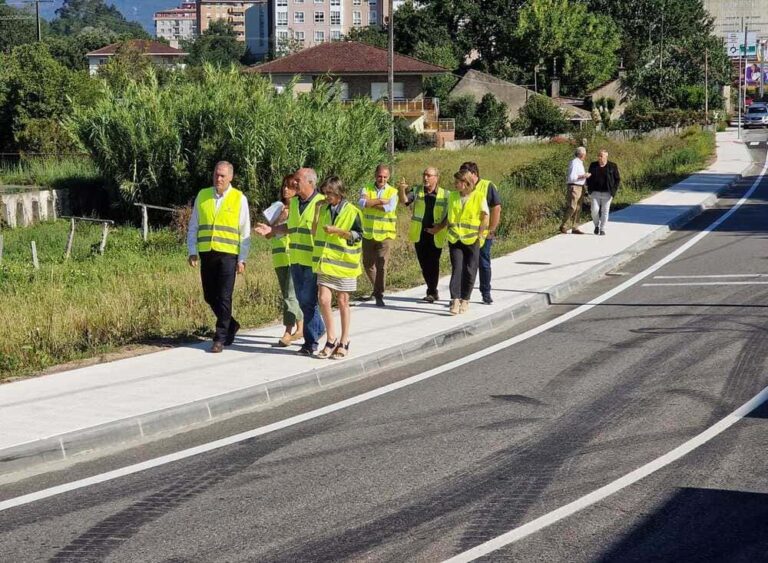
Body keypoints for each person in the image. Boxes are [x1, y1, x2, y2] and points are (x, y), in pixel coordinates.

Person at [255, 168, 325, 356]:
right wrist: (272, 230)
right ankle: (318, 329)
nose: (294, 183)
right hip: (294, 258)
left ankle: (310, 343)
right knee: (303, 301)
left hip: (312, 260)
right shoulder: (294, 203)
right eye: (294, 179)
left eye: (298, 180)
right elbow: (290, 227)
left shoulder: (321, 203)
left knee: (308, 301)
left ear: (310, 182)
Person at [187, 161, 251, 353]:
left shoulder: (239, 198)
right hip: (207, 253)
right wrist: (192, 250)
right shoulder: (203, 195)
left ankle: (220, 337)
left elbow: (244, 230)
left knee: (224, 296)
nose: (219, 178)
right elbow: (194, 225)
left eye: (223, 175)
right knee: (209, 296)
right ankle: (231, 324)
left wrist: (242, 258)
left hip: (228, 255)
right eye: (216, 174)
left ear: (230, 177)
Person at [312, 176, 363, 359]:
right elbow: (314, 232)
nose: (326, 197)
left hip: (344, 264)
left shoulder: (352, 211)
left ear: (339, 193)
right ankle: (331, 338)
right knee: (324, 299)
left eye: (330, 194)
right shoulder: (324, 208)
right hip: (325, 263)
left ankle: (344, 340)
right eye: (325, 193)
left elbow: (358, 236)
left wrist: (338, 232)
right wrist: (317, 212)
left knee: (342, 301)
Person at [427, 170, 489, 315]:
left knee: (470, 270)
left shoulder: (479, 197)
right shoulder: (453, 196)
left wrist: (480, 235)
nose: (455, 185)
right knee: (457, 268)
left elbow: (485, 217)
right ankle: (454, 299)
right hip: (455, 238)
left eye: (457, 182)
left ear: (466, 183)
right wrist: (438, 229)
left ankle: (465, 299)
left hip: (472, 239)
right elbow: (448, 217)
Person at [397, 167, 448, 303]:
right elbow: (404, 201)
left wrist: (439, 227)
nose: (425, 178)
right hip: (420, 233)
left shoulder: (445, 194)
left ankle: (432, 291)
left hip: (436, 233)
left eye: (429, 175)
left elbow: (450, 215)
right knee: (424, 264)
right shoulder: (417, 190)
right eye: (424, 175)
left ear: (436, 178)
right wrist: (402, 189)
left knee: (433, 263)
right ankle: (432, 289)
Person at [264, 174, 304, 347]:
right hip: (279, 256)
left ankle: (288, 331)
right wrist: (279, 218)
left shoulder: (299, 208)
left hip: (292, 255)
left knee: (290, 295)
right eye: (284, 187)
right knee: (289, 295)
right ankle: (301, 327)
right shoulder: (278, 207)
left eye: (290, 187)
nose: (286, 190)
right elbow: (268, 234)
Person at [458, 162, 501, 305]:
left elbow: (496, 208)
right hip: (465, 235)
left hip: (483, 235)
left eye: (466, 175)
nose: (462, 178)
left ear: (474, 174)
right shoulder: (461, 187)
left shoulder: (487, 186)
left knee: (483, 263)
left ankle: (486, 292)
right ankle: (462, 296)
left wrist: (492, 229)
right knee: (465, 266)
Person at [359, 164, 398, 307]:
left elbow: (389, 208)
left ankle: (379, 294)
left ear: (389, 177)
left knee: (381, 265)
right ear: (375, 175)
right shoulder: (366, 188)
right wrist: (380, 201)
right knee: (368, 264)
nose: (382, 179)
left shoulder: (393, 191)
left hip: (385, 235)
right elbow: (362, 203)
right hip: (368, 233)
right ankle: (377, 290)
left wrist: (371, 202)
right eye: (380, 176)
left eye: (385, 177)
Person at [586, 149, 621, 236]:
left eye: (601, 156)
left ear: (606, 156)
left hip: (607, 193)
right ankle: (596, 225)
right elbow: (589, 178)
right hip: (595, 192)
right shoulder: (593, 165)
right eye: (599, 155)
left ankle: (602, 229)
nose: (599, 157)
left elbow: (617, 179)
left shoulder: (612, 166)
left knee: (605, 211)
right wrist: (589, 188)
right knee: (594, 210)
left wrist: (613, 191)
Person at [560, 146, 590, 235]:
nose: (585, 156)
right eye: (585, 154)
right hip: (574, 187)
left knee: (578, 208)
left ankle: (575, 227)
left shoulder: (580, 163)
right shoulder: (574, 163)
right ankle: (563, 225)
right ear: (582, 154)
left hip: (580, 187)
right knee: (572, 207)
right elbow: (572, 177)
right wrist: (584, 176)